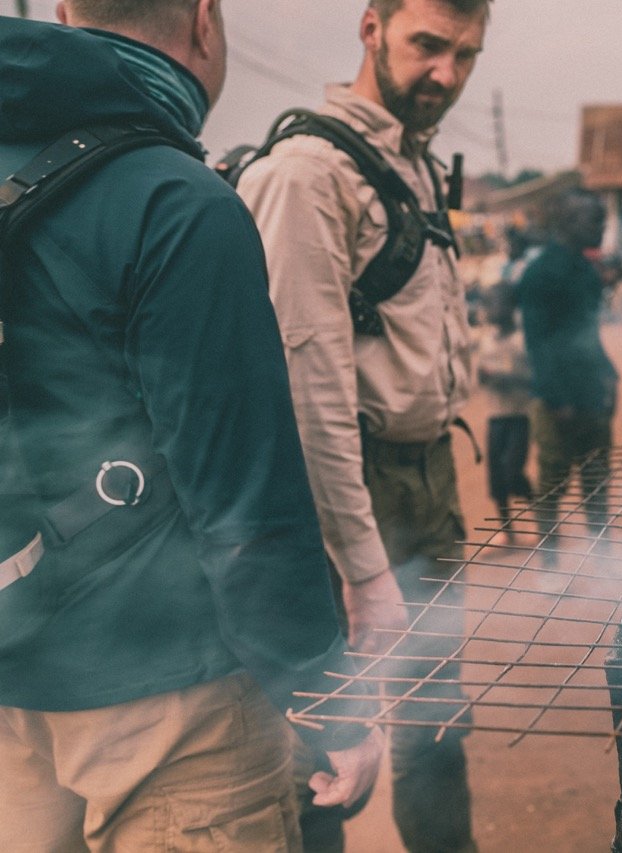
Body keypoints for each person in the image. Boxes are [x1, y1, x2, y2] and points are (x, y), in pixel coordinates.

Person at [0, 5, 382, 850]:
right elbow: (246, 505)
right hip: (172, 708)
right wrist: (332, 706)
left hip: (10, 687)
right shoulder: (175, 202)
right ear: (205, 22)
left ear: (66, 13)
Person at [236, 1, 488, 850]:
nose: (445, 75)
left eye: (464, 54)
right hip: (342, 486)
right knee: (328, 747)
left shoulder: (411, 164)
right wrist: (362, 564)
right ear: (370, 27)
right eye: (426, 45)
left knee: (435, 727)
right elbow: (308, 398)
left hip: (426, 473)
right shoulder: (306, 172)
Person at [518, 191, 618, 556]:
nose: (601, 228)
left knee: (596, 483)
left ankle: (604, 559)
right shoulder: (541, 274)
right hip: (558, 402)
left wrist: (609, 376)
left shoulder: (585, 270)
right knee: (552, 485)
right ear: (568, 223)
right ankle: (549, 560)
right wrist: (556, 398)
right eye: (595, 221)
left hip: (592, 395)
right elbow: (537, 343)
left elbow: (588, 332)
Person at [476, 282, 533, 539]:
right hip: (495, 416)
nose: (494, 309)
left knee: (512, 470)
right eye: (490, 304)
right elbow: (479, 376)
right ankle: (507, 529)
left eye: (500, 303)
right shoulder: (485, 341)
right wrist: (484, 377)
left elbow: (532, 379)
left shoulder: (522, 340)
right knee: (496, 476)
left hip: (519, 416)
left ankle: (540, 515)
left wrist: (505, 379)